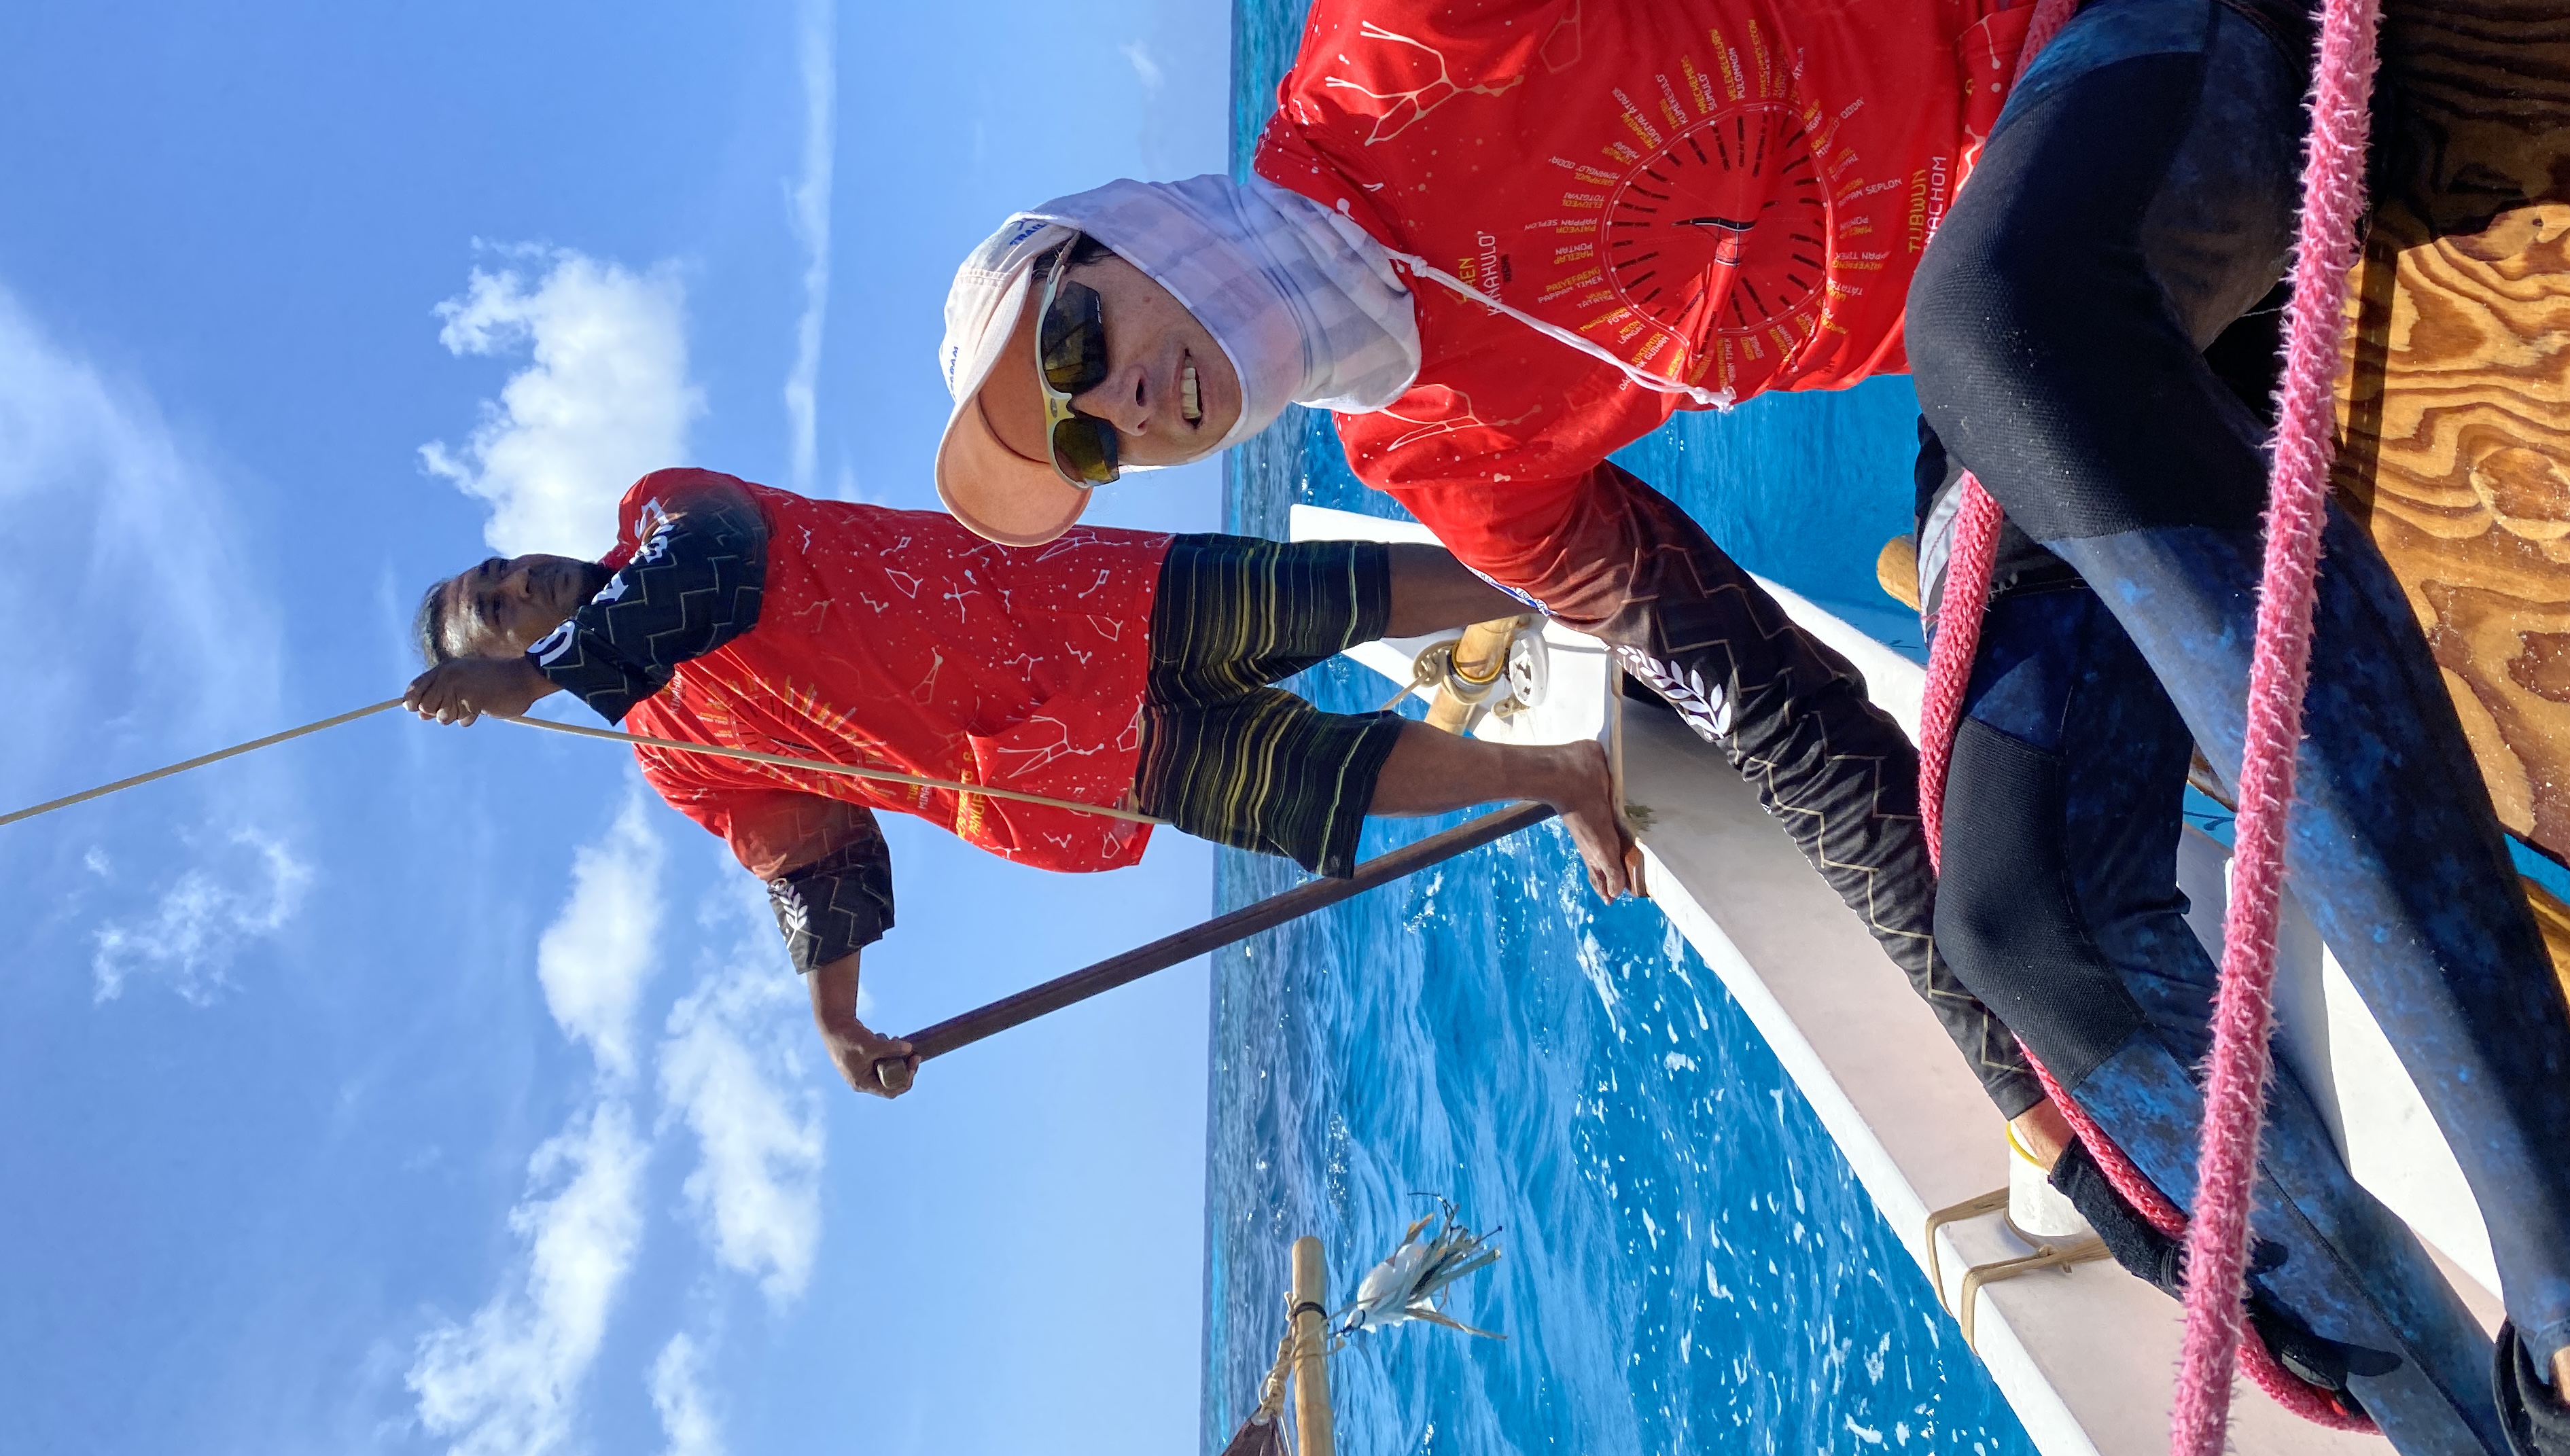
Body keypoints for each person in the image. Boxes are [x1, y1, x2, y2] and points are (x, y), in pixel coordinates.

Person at [926, 0, 2570, 1456]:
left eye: (1077, 335)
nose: (1115, 404)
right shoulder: (1442, 457)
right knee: (2027, 924)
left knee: (1993, 321)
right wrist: (2028, 1095)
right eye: (1077, 438)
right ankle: (2459, 1431)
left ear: (1125, 229)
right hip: (2059, 353)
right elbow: (1769, 713)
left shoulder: (1409, 7)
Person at [402, 467, 1642, 1097]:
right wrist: (836, 1019)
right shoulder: (676, 754)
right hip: (1050, 767)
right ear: (499, 669)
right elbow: (816, 860)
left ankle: (1576, 587)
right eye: (495, 612)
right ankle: (1563, 774)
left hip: (1074, 603)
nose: (517, 587)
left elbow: (716, 568)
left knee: (1327, 596)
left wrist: (542, 675)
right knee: (1313, 786)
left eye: (501, 571)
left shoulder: (662, 514)